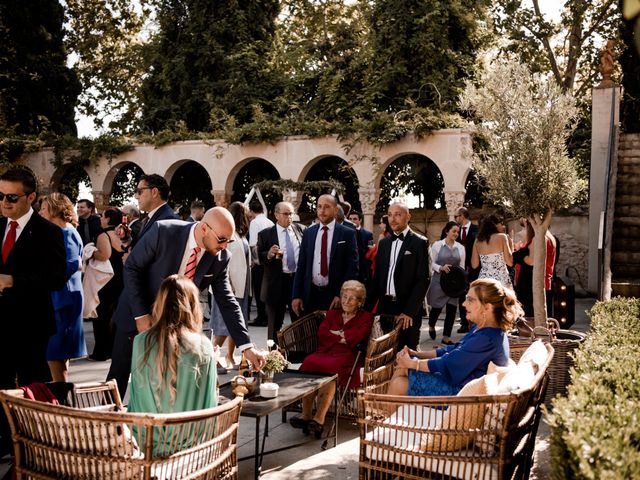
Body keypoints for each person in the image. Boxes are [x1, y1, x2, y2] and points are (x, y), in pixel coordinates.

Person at [107, 207, 266, 397]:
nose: (225, 246)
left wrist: (246, 347)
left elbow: (227, 301)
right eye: (222, 239)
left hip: (175, 329)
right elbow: (132, 268)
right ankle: (108, 424)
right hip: (135, 316)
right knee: (119, 376)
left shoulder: (220, 257)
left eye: (229, 241)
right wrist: (141, 315)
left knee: (163, 385)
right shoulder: (163, 232)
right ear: (204, 228)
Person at [0, 167, 66, 455]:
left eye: (11, 198)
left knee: (30, 386)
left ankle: (35, 445)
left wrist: (14, 281)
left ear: (30, 197)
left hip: (30, 325)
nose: (4, 203)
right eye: (0, 196)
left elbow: (55, 277)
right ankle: (4, 442)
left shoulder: (47, 232)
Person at [128, 275, 217, 454]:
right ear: (193, 306)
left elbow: (135, 402)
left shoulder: (140, 342)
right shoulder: (203, 346)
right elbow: (210, 407)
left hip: (145, 448)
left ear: (160, 303)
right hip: (191, 452)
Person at [387, 278, 521, 397]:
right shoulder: (481, 328)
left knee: (400, 382)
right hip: (461, 381)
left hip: (463, 394)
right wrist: (417, 354)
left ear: (487, 307)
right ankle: (387, 417)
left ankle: (385, 420)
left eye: (470, 300)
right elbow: (453, 350)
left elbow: (449, 363)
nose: (463, 304)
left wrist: (412, 363)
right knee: (402, 368)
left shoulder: (487, 338)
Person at [290, 280, 373, 437]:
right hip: (325, 351)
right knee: (309, 362)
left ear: (359, 302)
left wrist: (338, 336)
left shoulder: (366, 317)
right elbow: (322, 333)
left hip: (347, 355)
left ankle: (319, 420)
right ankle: (306, 415)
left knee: (332, 371)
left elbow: (357, 337)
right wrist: (341, 337)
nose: (346, 301)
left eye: (351, 298)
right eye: (344, 296)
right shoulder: (333, 314)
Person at [366, 202, 429, 350]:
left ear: (408, 217)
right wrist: (367, 310)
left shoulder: (419, 243)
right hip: (385, 307)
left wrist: (409, 311)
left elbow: (423, 279)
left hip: (407, 308)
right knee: (384, 351)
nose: (393, 219)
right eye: (390, 215)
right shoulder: (384, 244)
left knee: (407, 351)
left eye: (398, 215)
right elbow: (378, 279)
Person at [39, 193, 87, 382]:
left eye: (43, 208)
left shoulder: (66, 232)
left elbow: (70, 264)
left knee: (55, 354)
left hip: (64, 299)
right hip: (60, 298)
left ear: (55, 208)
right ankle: (61, 398)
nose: (40, 212)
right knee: (58, 354)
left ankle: (62, 399)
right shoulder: (59, 232)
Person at [292, 194, 359, 316]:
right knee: (310, 333)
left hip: (334, 296)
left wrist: (342, 294)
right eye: (319, 207)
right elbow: (301, 265)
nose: (322, 211)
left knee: (332, 333)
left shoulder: (347, 234)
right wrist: (296, 295)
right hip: (310, 294)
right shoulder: (309, 233)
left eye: (326, 207)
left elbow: (352, 268)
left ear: (335, 210)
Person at [257, 201, 305, 342]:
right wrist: (268, 254)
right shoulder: (266, 234)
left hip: (296, 281)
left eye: (291, 214)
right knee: (275, 324)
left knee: (299, 321)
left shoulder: (301, 230)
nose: (289, 217)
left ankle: (299, 355)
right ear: (276, 215)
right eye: (286, 214)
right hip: (276, 283)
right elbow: (258, 257)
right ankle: (274, 356)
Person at [212, 201, 251, 368]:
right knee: (222, 327)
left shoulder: (241, 235)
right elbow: (222, 262)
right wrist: (228, 284)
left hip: (241, 285)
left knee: (237, 323)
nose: (249, 217)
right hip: (229, 286)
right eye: (247, 214)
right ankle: (212, 358)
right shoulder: (229, 235)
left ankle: (230, 356)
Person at [89, 207, 127, 361]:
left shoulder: (104, 235)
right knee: (114, 315)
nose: (100, 219)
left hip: (107, 278)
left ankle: (101, 351)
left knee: (101, 315)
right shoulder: (123, 233)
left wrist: (90, 251)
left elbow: (104, 255)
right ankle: (113, 349)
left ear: (109, 219)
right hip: (121, 277)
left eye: (103, 216)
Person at [427, 221, 465, 345]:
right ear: (446, 231)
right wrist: (441, 268)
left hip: (453, 284)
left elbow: (462, 267)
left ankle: (446, 337)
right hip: (439, 281)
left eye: (457, 232)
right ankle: (431, 325)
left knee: (452, 310)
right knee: (436, 309)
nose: (456, 234)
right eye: (454, 231)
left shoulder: (460, 247)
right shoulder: (437, 245)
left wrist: (461, 283)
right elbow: (431, 264)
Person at [132, 174, 178, 247]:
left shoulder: (168, 220)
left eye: (139, 191)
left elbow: (164, 256)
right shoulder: (149, 218)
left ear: (154, 192)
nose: (136, 196)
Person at [247, 200, 274, 327]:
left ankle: (261, 316)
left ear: (251, 211)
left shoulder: (254, 222)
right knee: (267, 289)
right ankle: (267, 316)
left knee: (258, 289)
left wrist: (254, 260)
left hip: (259, 260)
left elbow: (253, 244)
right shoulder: (270, 222)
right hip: (269, 258)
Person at [471, 213, 514, 289]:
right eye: (501, 223)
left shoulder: (478, 240)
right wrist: (511, 243)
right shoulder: (502, 237)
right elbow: (510, 262)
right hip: (501, 281)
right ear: (495, 225)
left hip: (484, 281)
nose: (503, 226)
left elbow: (474, 265)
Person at [454, 207, 478, 333]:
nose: (455, 219)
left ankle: (474, 323)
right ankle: (464, 323)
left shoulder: (476, 230)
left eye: (456, 216)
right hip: (459, 269)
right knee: (461, 297)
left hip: (474, 269)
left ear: (462, 216)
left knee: (474, 296)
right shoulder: (455, 231)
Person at [513, 221, 535, 317]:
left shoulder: (534, 240)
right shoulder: (529, 240)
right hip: (524, 277)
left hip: (528, 278)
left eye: (525, 227)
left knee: (527, 307)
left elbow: (530, 261)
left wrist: (519, 253)